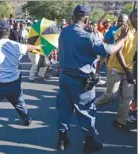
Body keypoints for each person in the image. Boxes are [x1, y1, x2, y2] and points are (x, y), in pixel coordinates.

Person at [56, 4, 129, 153]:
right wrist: (122, 39)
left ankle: (62, 139)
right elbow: (110, 50)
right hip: (81, 81)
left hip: (64, 78)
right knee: (86, 111)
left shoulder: (64, 32)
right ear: (87, 18)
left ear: (73, 16)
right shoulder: (89, 37)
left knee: (64, 109)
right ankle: (90, 143)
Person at [0, 21, 41, 150]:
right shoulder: (16, 45)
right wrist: (39, 46)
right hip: (14, 83)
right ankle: (26, 119)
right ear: (9, 32)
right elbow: (28, 47)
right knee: (19, 102)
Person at [95, 9, 137, 131]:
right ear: (131, 17)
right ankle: (89, 107)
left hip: (129, 69)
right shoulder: (123, 30)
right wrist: (128, 71)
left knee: (127, 98)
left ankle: (120, 121)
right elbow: (118, 52)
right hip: (115, 68)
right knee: (111, 96)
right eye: (136, 16)